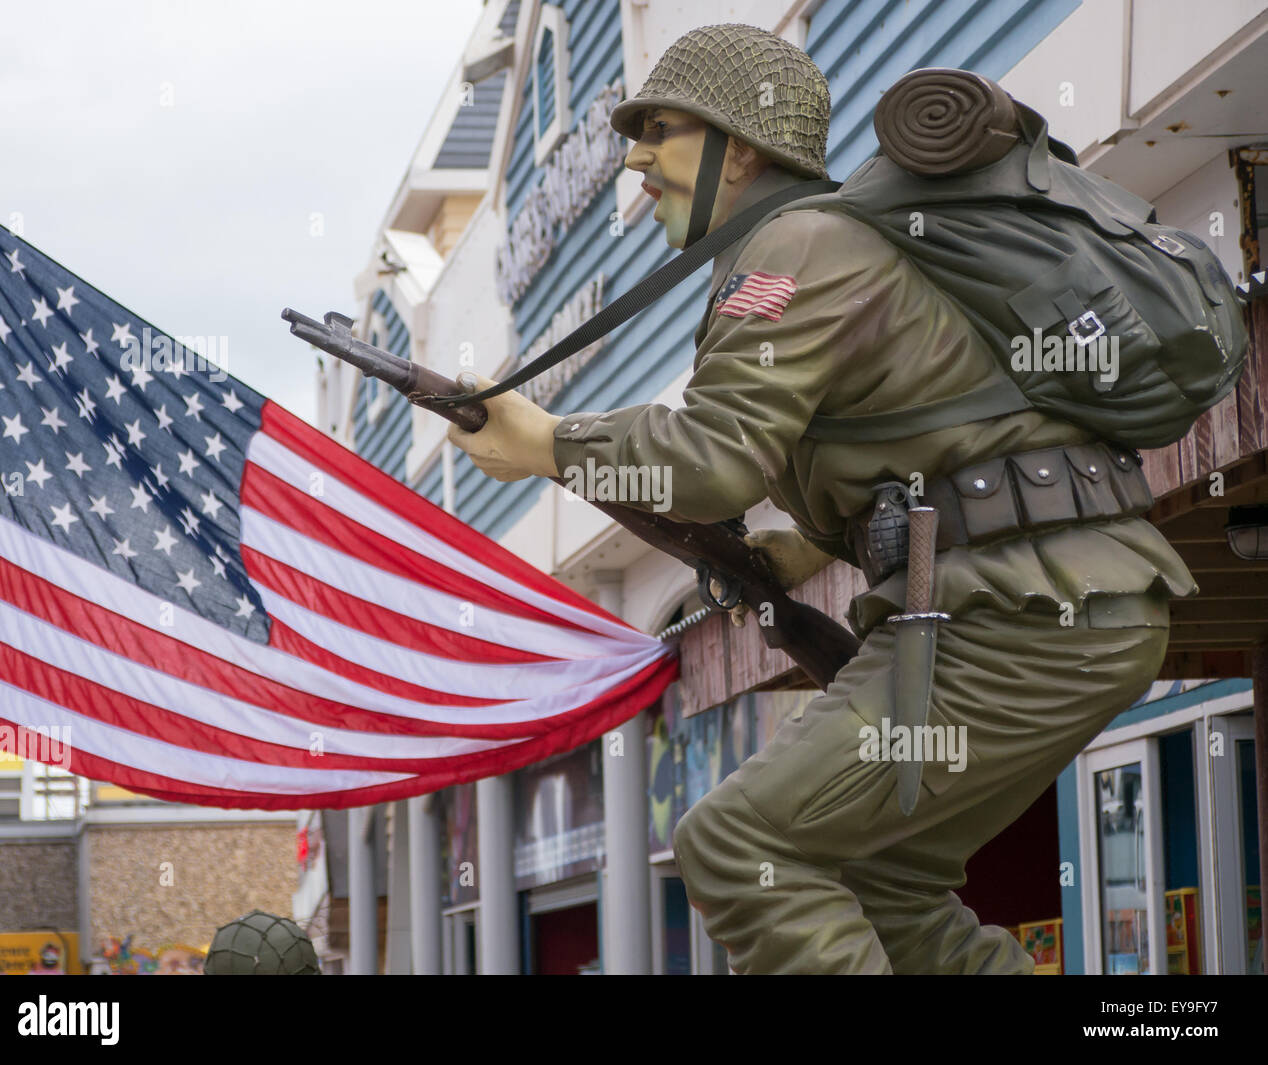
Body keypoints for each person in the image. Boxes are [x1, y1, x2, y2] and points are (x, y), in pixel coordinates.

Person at [447, 23, 1194, 974]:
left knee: (739, 845)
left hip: (1019, 614)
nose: (635, 157)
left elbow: (713, 460)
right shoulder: (813, 243)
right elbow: (930, 441)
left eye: (661, 129)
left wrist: (550, 442)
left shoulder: (797, 245)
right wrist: (804, 549)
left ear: (741, 146)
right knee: (885, 886)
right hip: (1052, 604)